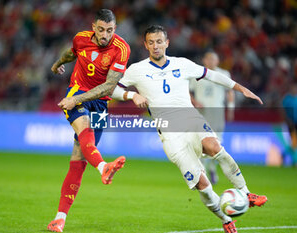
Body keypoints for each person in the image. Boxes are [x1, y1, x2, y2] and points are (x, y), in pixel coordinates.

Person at [111, 25, 267, 233]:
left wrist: (240, 88)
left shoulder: (182, 64)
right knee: (202, 184)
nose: (155, 46)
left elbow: (211, 75)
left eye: (159, 41)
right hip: (169, 133)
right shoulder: (137, 70)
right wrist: (132, 95)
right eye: (151, 42)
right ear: (145, 44)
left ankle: (247, 193)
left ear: (167, 43)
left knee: (215, 147)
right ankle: (225, 219)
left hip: (191, 119)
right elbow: (112, 89)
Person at [47, 9, 131, 232]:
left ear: (115, 29)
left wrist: (76, 100)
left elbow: (109, 87)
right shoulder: (81, 38)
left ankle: (59, 219)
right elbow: (71, 53)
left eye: (110, 30)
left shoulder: (121, 49)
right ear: (94, 27)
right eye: (101, 30)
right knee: (84, 130)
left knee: (80, 159)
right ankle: (104, 166)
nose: (105, 35)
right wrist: (57, 64)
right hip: (77, 90)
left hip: (100, 102)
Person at [190, 51, 235, 184]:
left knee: (216, 142)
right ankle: (203, 171)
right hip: (201, 113)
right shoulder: (197, 73)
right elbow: (188, 91)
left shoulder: (224, 74)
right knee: (201, 142)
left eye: (213, 59)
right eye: (208, 59)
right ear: (204, 60)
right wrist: (194, 102)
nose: (210, 61)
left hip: (217, 112)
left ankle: (212, 168)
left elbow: (230, 91)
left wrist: (231, 109)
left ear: (217, 61)